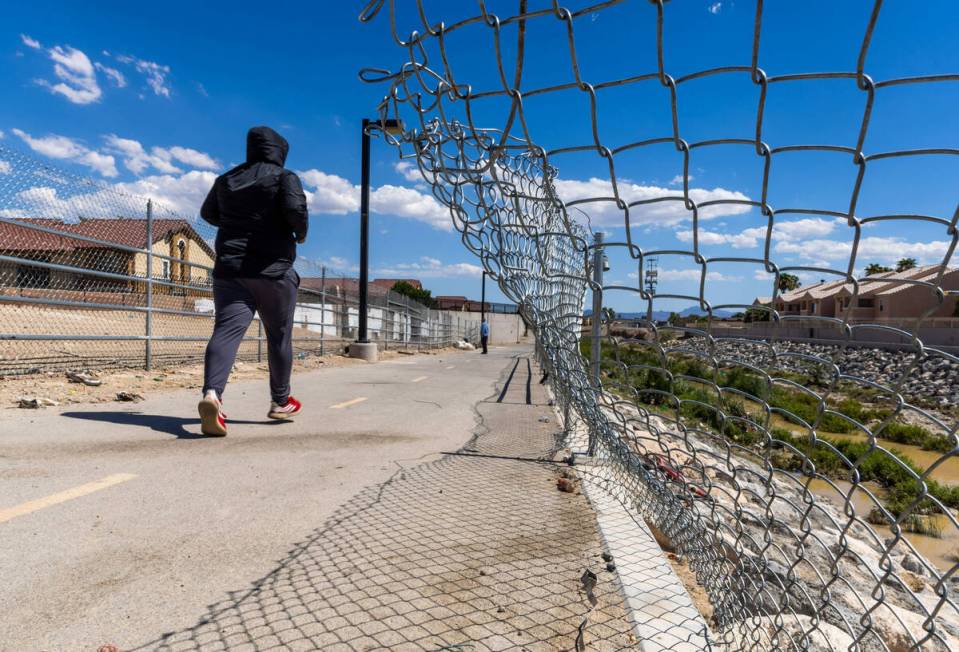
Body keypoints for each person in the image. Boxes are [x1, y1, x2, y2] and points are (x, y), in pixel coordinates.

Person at [196, 126, 309, 436]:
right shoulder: (285, 178)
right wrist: (299, 233)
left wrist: (235, 224)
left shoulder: (227, 180)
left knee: (226, 332)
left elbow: (208, 213)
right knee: (279, 336)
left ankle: (212, 395)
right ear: (279, 151)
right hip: (273, 271)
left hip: (230, 271)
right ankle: (280, 401)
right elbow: (295, 210)